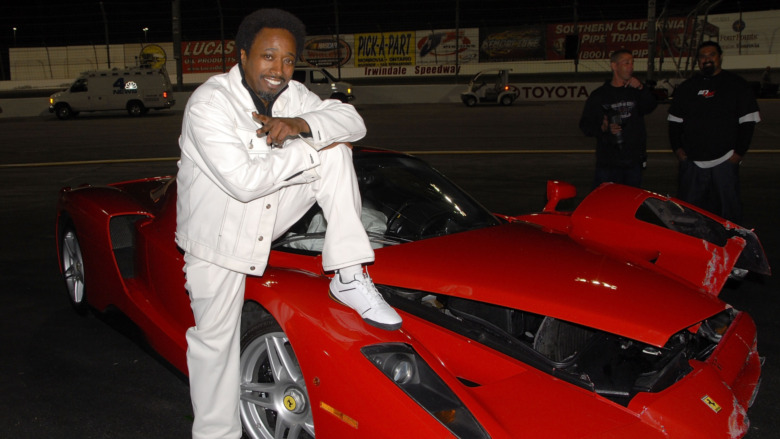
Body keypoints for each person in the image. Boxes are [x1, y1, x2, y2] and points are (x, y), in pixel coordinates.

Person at [175, 8, 402, 439]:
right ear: (242, 55)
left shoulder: (294, 94)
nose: (279, 69)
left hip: (266, 215)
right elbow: (242, 183)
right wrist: (310, 145)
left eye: (289, 60)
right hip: (217, 238)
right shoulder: (209, 103)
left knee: (337, 147)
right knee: (215, 346)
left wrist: (301, 124)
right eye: (268, 57)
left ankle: (350, 274)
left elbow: (353, 122)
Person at [667, 41, 761, 224]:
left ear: (720, 58)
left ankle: (730, 249)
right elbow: (674, 122)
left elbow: (748, 121)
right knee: (688, 215)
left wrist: (738, 153)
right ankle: (693, 250)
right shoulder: (688, 87)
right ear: (698, 61)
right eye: (703, 56)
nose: (707, 59)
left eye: (711, 55)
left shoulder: (736, 85)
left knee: (729, 216)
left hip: (724, 162)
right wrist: (678, 150)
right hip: (693, 163)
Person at [579, 49, 657, 188]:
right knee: (606, 203)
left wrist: (641, 87)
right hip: (609, 162)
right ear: (614, 66)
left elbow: (650, 106)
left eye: (632, 63)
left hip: (633, 160)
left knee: (630, 203)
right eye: (626, 63)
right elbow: (585, 125)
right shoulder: (600, 95)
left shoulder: (636, 91)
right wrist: (603, 128)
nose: (631, 67)